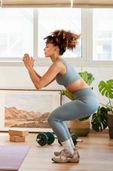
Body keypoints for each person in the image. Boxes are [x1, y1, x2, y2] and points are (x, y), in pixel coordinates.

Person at [22, 29, 99, 163]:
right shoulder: (58, 64)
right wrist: (31, 69)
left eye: (47, 46)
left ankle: (69, 152)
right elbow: (42, 81)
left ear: (56, 49)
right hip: (87, 99)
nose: (44, 49)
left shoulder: (58, 64)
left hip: (86, 100)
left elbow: (38, 85)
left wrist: (29, 68)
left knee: (53, 118)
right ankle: (71, 151)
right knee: (57, 118)